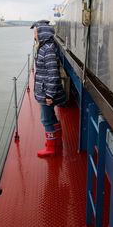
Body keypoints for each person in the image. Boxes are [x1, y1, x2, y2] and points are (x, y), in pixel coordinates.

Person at [30, 20, 66, 157]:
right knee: (51, 117)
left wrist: (49, 95)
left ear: (42, 34)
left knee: (46, 120)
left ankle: (51, 148)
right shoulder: (45, 47)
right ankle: (56, 142)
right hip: (45, 91)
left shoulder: (47, 50)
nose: (34, 35)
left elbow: (53, 74)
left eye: (35, 33)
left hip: (47, 93)